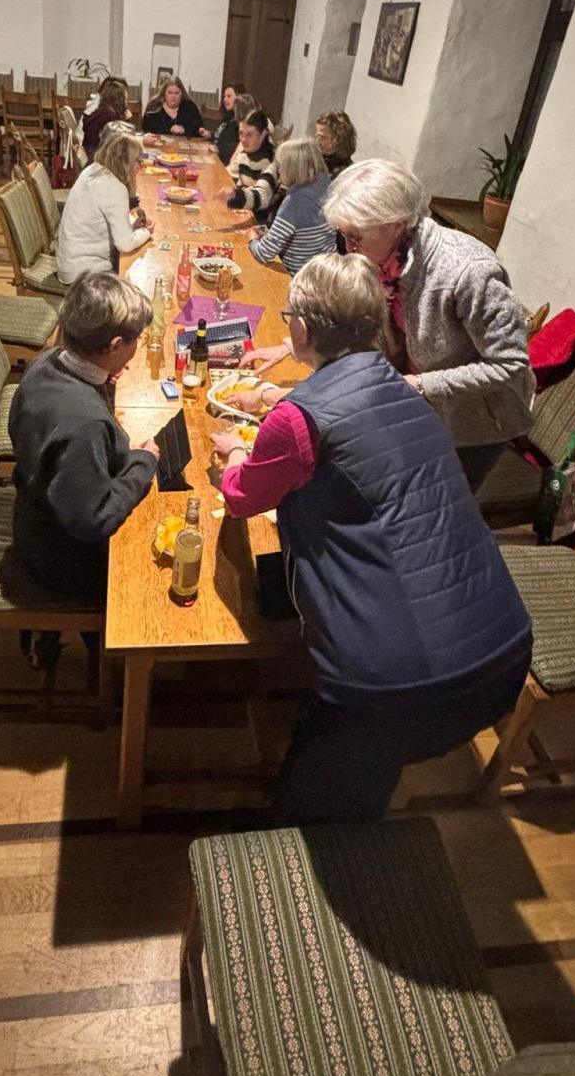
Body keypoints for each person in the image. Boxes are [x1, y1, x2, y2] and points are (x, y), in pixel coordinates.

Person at [211, 253, 531, 825]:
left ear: (303, 329)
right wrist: (274, 399)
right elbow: (350, 416)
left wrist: (235, 453)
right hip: (503, 649)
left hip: (398, 686)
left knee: (320, 808)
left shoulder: (297, 422)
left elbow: (242, 498)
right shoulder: (403, 386)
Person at [245, 159, 533, 490]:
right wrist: (291, 344)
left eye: (355, 237)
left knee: (439, 506)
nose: (349, 248)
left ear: (395, 224)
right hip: (418, 398)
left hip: (476, 422)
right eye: (344, 236)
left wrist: (422, 385)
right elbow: (360, 321)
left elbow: (510, 364)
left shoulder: (469, 271)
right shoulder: (383, 255)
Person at [8, 272, 160, 603]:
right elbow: (94, 520)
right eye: (137, 340)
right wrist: (143, 463)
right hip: (63, 559)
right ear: (116, 345)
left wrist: (103, 379)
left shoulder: (47, 361)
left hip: (36, 513)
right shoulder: (85, 424)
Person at [55, 128, 152, 284]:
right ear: (124, 162)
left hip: (68, 261)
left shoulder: (92, 171)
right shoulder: (114, 187)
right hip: (83, 274)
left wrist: (133, 227)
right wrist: (146, 232)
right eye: (138, 161)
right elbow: (125, 245)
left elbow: (104, 222)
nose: (140, 166)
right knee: (138, 282)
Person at [248, 137, 337, 275]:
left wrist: (252, 240)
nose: (278, 171)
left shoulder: (295, 201)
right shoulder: (326, 183)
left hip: (298, 276)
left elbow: (264, 253)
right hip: (326, 272)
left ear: (293, 168)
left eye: (281, 166)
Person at [225, 109, 278, 220]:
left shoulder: (271, 162)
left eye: (249, 135)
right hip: (242, 211)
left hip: (258, 220)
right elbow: (236, 180)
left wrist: (235, 196)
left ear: (263, 134)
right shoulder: (245, 154)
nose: (243, 140)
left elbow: (262, 197)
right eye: (241, 133)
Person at [81, 77, 132, 158]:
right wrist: (127, 120)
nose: (128, 100)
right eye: (125, 98)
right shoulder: (109, 116)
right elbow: (122, 143)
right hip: (98, 158)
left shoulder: (103, 110)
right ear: (118, 99)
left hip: (92, 153)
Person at [141, 77, 207, 140]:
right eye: (170, 93)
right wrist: (169, 130)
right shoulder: (153, 106)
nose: (173, 96)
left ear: (182, 94)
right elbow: (146, 130)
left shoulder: (190, 107)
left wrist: (184, 130)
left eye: (177, 93)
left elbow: (198, 130)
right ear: (164, 93)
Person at [314, 108, 357, 178]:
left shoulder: (347, 174)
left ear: (338, 139)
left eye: (323, 137)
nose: (317, 141)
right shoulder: (317, 161)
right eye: (317, 136)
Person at [215, 85, 239, 166]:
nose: (225, 99)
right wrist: (210, 135)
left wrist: (219, 149)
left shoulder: (239, 121)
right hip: (217, 157)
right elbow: (220, 137)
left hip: (226, 163)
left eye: (229, 96)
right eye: (224, 97)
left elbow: (236, 146)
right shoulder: (227, 116)